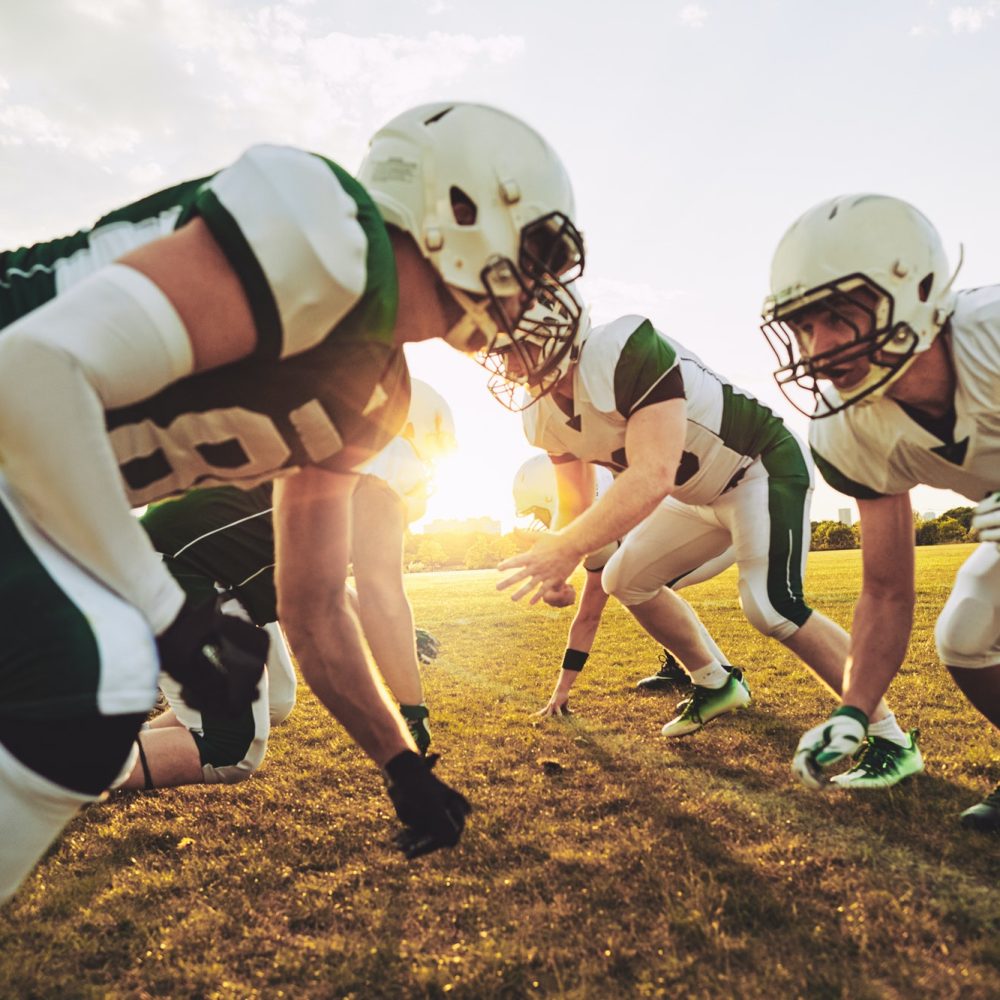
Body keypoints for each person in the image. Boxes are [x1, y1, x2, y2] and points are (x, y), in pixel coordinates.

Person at [0, 101, 586, 902]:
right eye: (538, 251)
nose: (540, 286)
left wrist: (401, 764)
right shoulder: (326, 230)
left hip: (25, 493)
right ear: (458, 207)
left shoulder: (375, 389)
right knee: (93, 667)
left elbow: (312, 605)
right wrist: (164, 614)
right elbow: (28, 370)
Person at [492, 307, 919, 789]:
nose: (508, 367)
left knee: (771, 606)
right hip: (694, 495)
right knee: (623, 578)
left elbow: (652, 473)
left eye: (514, 348)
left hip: (759, 466)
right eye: (500, 352)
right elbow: (573, 503)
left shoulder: (623, 349)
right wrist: (558, 565)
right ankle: (715, 681)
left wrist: (565, 549)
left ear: (557, 333)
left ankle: (890, 737)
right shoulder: (541, 415)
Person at [761, 192, 1000, 830]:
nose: (818, 346)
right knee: (966, 637)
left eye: (837, 316)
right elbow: (888, 591)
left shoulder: (992, 335)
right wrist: (853, 709)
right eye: (803, 326)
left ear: (916, 289)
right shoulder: (846, 428)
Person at [118, 380, 451, 790]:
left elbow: (325, 591)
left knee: (275, 698)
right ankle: (58, 767)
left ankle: (129, 745)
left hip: (202, 571)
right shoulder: (383, 461)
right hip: (181, 571)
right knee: (231, 747)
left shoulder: (326, 448)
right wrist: (412, 712)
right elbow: (382, 593)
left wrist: (394, 634)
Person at [512, 453, 735, 713]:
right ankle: (695, 668)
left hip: (720, 534)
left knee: (643, 587)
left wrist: (562, 689)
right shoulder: (612, 492)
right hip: (724, 522)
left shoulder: (605, 523)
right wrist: (561, 690)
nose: (540, 522)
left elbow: (587, 618)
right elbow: (587, 618)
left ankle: (722, 675)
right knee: (641, 584)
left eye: (539, 512)